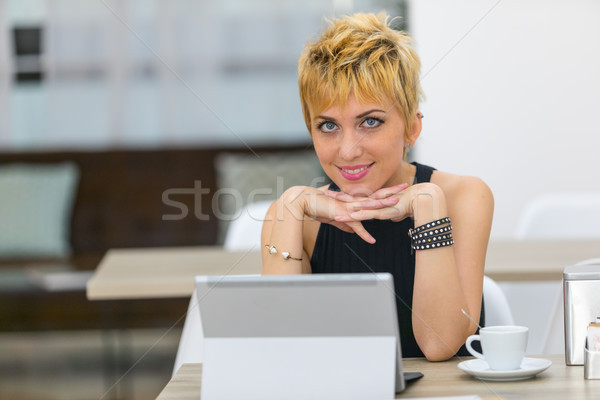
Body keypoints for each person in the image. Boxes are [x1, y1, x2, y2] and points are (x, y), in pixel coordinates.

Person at [260, 12, 493, 361]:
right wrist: (292, 205)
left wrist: (428, 205)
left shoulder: (463, 196)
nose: (349, 150)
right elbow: (279, 351)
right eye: (328, 126)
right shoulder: (293, 215)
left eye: (370, 122)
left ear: (412, 128)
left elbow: (440, 344)